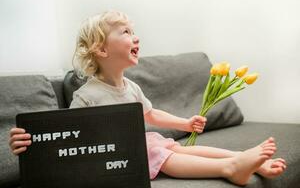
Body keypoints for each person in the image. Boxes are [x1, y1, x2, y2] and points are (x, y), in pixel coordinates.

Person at [9, 10, 286, 186]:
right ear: (101, 49)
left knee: (180, 149)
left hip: (142, 141)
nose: (136, 37)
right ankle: (229, 168)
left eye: (133, 30)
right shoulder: (86, 95)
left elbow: (151, 114)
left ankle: (247, 159)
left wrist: (185, 124)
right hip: (125, 153)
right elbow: (66, 132)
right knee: (160, 152)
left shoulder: (131, 86)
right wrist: (31, 141)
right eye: (126, 32)